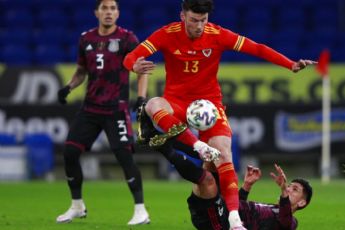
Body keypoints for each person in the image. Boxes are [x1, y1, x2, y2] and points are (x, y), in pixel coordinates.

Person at [124, 0, 316, 228]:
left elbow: (256, 48)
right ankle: (197, 147)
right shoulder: (166, 34)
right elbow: (131, 57)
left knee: (224, 154)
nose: (199, 26)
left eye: (203, 21)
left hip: (210, 105)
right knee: (153, 104)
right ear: (182, 16)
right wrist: (133, 66)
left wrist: (290, 64)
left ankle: (235, 219)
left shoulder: (218, 34)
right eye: (194, 20)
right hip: (177, 102)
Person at [55, 0, 155, 225]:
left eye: (113, 8)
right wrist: (69, 87)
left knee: (124, 157)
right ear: (96, 13)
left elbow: (143, 69)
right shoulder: (86, 39)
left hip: (115, 108)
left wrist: (141, 98)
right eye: (104, 8)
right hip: (90, 108)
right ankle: (77, 206)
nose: (108, 12)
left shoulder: (127, 39)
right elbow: (82, 70)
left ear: (118, 13)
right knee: (70, 153)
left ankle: (141, 210)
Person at [188, 164, 313, 230]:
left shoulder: (291, 222)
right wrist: (247, 185)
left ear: (302, 203)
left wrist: (283, 189)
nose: (288, 189)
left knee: (207, 179)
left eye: (294, 189)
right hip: (222, 209)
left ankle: (170, 150)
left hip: (218, 222)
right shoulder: (272, 208)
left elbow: (285, 220)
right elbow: (235, 208)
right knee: (212, 162)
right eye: (289, 186)